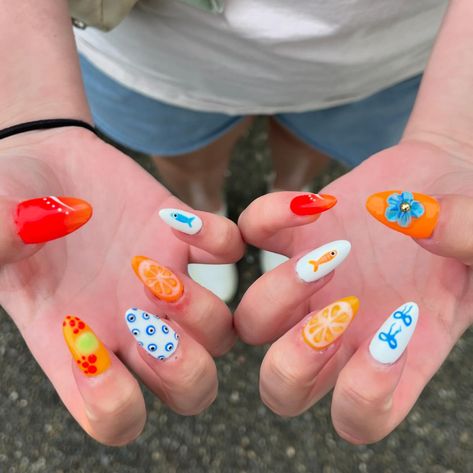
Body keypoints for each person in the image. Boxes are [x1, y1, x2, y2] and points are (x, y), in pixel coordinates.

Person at [0, 0, 472, 447]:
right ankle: (201, 206)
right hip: (151, 53)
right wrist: (34, 118)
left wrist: (453, 136)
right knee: (188, 164)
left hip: (388, 57)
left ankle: (296, 202)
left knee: (307, 156)